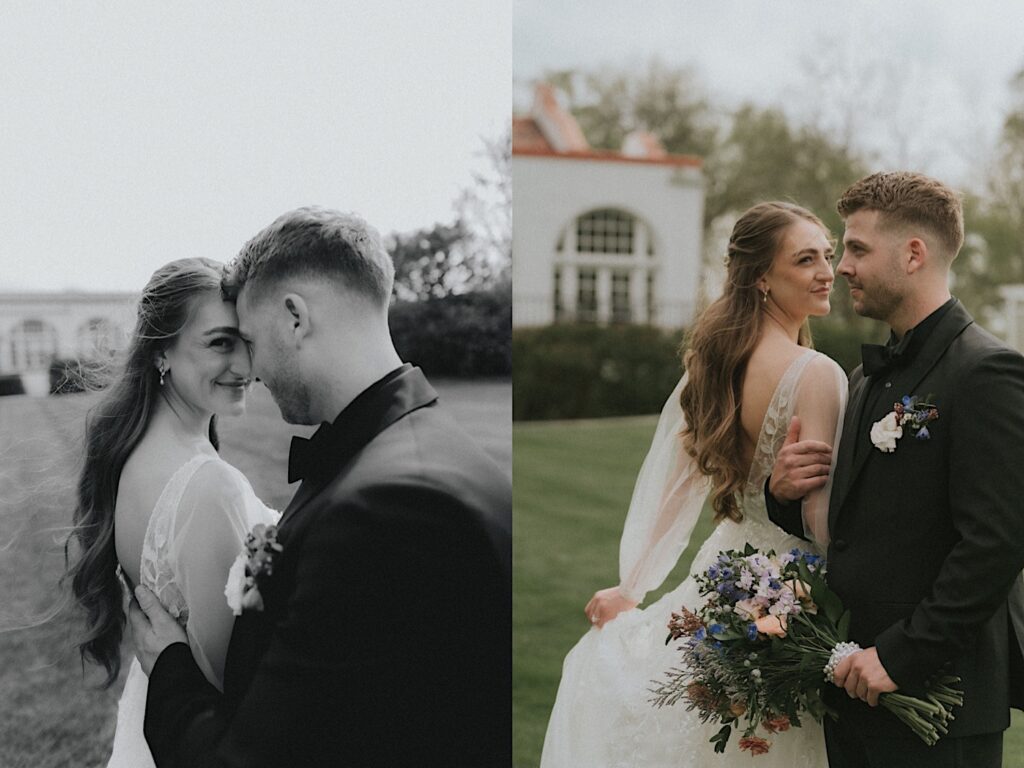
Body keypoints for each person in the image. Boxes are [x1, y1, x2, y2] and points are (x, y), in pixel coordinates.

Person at [129, 207, 512, 767]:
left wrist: (168, 665)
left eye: (252, 342)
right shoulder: (413, 449)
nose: (252, 371)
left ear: (294, 318)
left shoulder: (392, 508)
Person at [540, 201, 846, 767]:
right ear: (762, 277)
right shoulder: (817, 372)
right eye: (806, 260)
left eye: (828, 255)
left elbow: (675, 490)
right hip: (790, 597)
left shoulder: (719, 361)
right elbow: (823, 526)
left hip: (723, 575)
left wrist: (634, 584)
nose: (827, 270)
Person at [766, 171, 1024, 768]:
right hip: (851, 688)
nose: (842, 267)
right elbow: (850, 525)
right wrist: (782, 492)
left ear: (913, 254)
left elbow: (996, 542)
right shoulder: (863, 379)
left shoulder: (987, 373)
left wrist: (900, 657)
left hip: (939, 700)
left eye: (857, 248)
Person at [63, 257, 277, 768]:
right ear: (161, 351)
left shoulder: (133, 455)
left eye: (247, 341)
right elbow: (236, 683)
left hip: (162, 716)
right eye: (220, 342)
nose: (246, 367)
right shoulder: (207, 484)